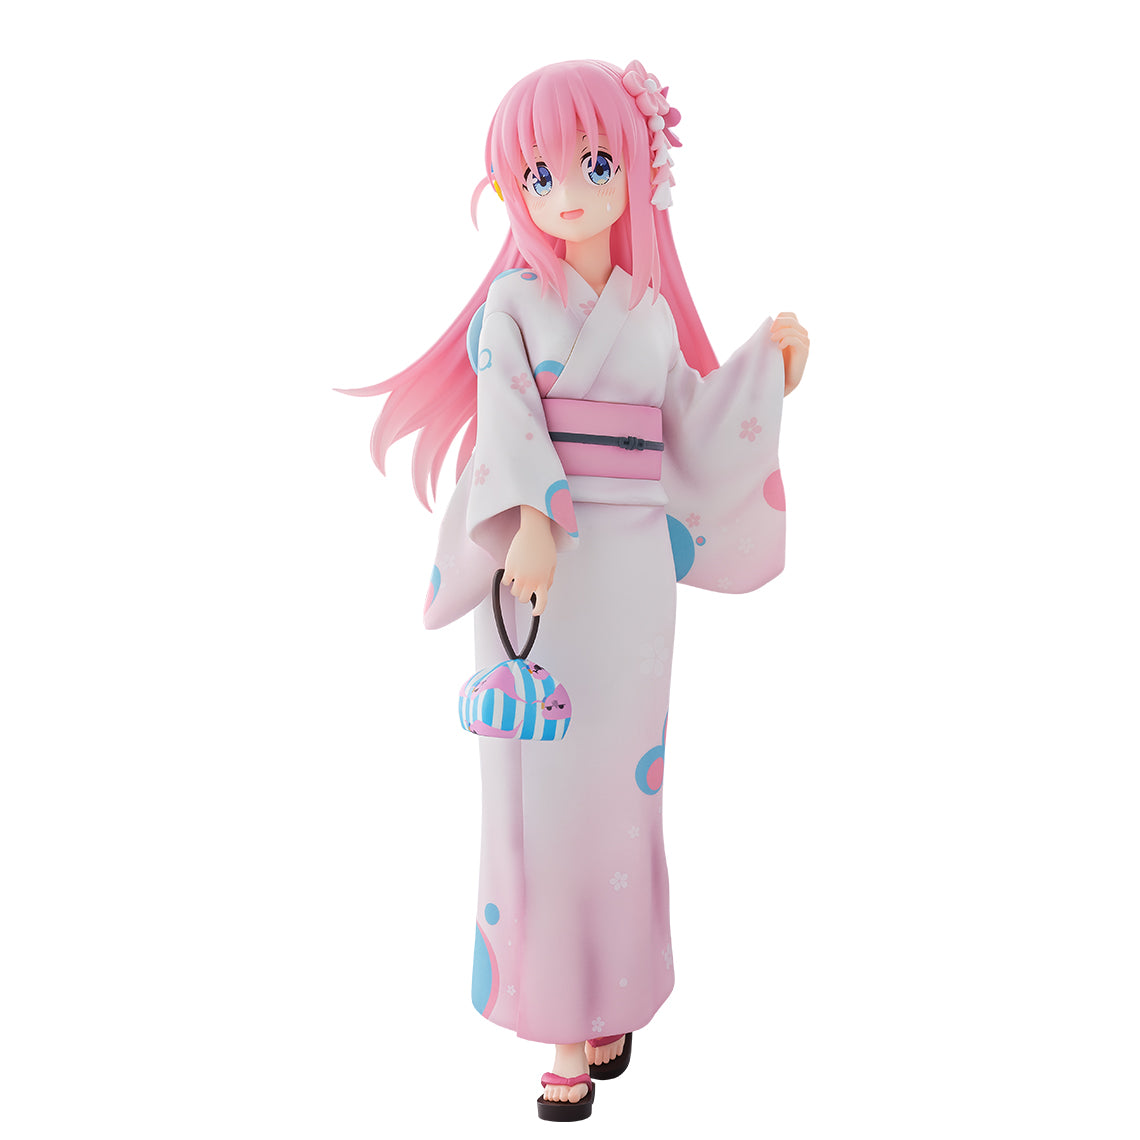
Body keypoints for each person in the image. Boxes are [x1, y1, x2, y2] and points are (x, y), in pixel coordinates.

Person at [344, 58, 809, 1122]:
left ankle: (614, 995)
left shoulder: (649, 315)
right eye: (539, 175)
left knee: (624, 792)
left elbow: (691, 427)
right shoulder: (512, 306)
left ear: (637, 170)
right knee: (546, 796)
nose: (567, 194)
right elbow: (506, 419)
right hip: (540, 566)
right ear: (511, 190)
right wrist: (532, 523)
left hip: (635, 573)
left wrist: (765, 373)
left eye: (595, 165)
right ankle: (560, 1020)